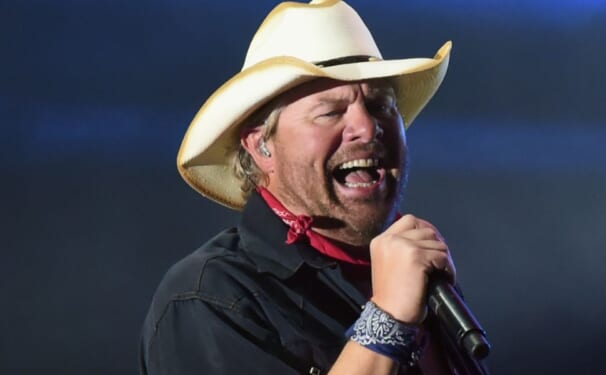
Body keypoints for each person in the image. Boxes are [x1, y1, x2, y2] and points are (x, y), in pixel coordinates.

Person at [140, 0, 467, 373]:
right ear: (261, 146)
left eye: (380, 106)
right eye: (330, 112)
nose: (367, 127)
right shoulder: (208, 297)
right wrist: (388, 319)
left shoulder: (420, 279)